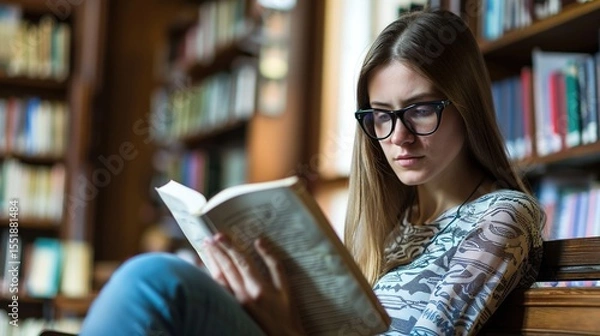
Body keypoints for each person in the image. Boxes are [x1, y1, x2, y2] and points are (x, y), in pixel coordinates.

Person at [79, 9, 544, 336]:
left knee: (154, 282)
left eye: (420, 110)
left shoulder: (500, 217)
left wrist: (286, 327)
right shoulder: (398, 221)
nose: (397, 136)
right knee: (159, 285)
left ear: (467, 107)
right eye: (380, 115)